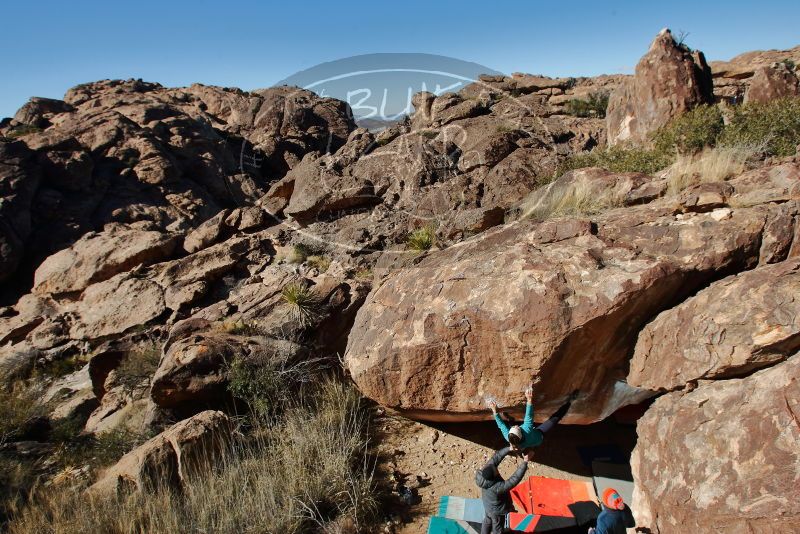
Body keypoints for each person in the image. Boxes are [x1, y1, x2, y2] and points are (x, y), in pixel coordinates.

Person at [489, 385, 579, 454]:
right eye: (518, 427)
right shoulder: (527, 429)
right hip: (539, 436)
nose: (517, 426)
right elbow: (529, 416)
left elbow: (501, 425)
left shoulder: (508, 437)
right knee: (555, 418)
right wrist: (529, 399)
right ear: (521, 432)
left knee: (510, 425)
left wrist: (494, 411)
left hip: (523, 442)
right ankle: (569, 402)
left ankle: (511, 420)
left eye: (514, 428)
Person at [475, 446, 534, 534]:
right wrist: (525, 462)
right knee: (498, 528)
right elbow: (514, 479)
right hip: (497, 511)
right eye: (496, 471)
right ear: (494, 476)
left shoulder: (484, 473)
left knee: (487, 520)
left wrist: (509, 449)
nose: (497, 469)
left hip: (487, 505)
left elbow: (496, 457)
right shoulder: (497, 488)